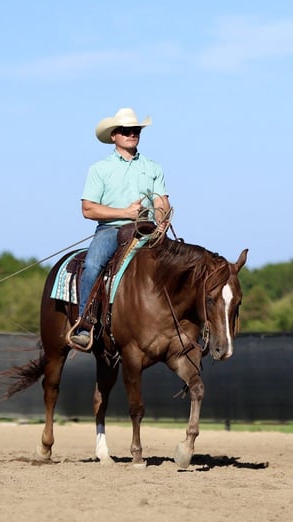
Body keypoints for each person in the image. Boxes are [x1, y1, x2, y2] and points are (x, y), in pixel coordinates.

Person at [71, 108, 170, 348]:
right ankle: (85, 323)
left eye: (135, 130)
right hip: (111, 230)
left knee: (177, 264)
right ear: (113, 135)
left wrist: (162, 220)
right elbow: (88, 209)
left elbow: (161, 202)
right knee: (93, 264)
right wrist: (125, 213)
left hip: (148, 230)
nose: (132, 134)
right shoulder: (99, 169)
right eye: (126, 131)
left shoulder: (153, 167)